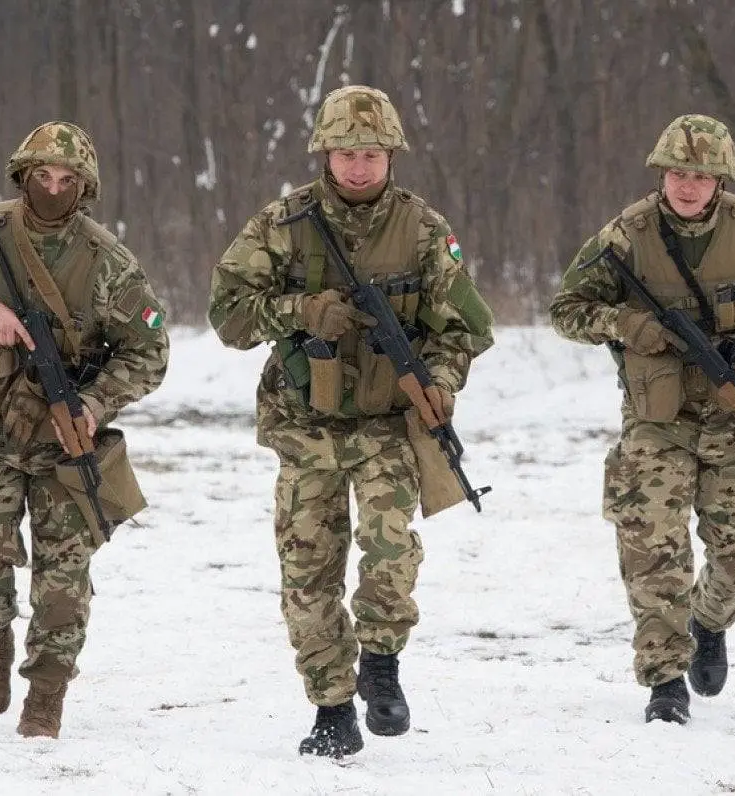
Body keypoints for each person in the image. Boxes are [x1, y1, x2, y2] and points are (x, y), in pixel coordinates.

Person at [208, 85, 494, 757]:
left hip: (389, 424)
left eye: (371, 153)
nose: (359, 167)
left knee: (392, 549)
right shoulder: (283, 225)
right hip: (305, 424)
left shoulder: (424, 230)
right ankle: (331, 707)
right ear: (325, 155)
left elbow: (465, 329)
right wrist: (302, 313)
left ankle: (383, 662)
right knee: (307, 571)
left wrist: (440, 385)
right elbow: (228, 313)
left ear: (391, 155)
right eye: (345, 154)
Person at [548, 114, 735, 724]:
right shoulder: (627, 234)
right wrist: (626, 325)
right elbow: (566, 309)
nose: (688, 185)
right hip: (657, 418)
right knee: (651, 545)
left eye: (701, 174)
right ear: (661, 172)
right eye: (678, 171)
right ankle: (664, 679)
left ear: (720, 178)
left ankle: (709, 620)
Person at [0, 121, 169, 739]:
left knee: (63, 573)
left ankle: (48, 693)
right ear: (21, 176)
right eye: (41, 177)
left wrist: (94, 401)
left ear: (84, 187)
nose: (53, 189)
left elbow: (150, 351)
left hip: (65, 434)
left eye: (66, 180)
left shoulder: (109, 262)